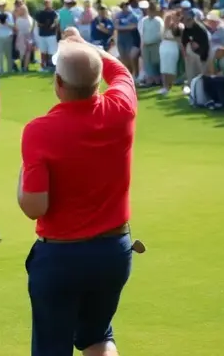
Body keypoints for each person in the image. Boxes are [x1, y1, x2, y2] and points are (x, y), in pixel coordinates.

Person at [19, 27, 137, 356]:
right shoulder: (121, 109)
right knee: (98, 336)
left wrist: (21, 177)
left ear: (59, 83)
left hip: (60, 257)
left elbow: (34, 206)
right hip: (113, 251)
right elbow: (121, 72)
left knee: (52, 348)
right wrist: (85, 45)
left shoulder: (39, 131)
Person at [179, 9, 210, 94]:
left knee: (201, 75)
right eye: (185, 20)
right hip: (191, 55)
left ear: (193, 19)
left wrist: (202, 58)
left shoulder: (200, 29)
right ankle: (192, 91)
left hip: (202, 56)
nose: (186, 22)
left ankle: (203, 93)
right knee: (190, 74)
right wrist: (185, 53)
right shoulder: (186, 29)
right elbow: (184, 42)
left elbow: (205, 45)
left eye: (188, 20)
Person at [158, 12, 182, 96]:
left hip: (173, 46)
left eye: (169, 19)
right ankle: (165, 86)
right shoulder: (163, 28)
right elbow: (161, 37)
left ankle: (169, 85)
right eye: (166, 19)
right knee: (164, 66)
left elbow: (178, 39)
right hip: (164, 46)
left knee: (171, 66)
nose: (167, 21)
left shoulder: (178, 27)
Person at [139, 3, 163, 87]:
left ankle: (158, 80)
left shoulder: (158, 21)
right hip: (146, 45)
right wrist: (142, 45)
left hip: (156, 44)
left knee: (156, 62)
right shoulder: (144, 21)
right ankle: (150, 80)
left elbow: (161, 33)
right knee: (148, 63)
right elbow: (143, 33)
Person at [114, 2, 140, 79]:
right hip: (120, 39)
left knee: (129, 57)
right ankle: (127, 75)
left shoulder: (133, 15)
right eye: (123, 7)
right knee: (123, 57)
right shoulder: (118, 15)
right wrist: (127, 27)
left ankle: (133, 74)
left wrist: (121, 27)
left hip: (130, 38)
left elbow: (134, 26)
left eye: (126, 6)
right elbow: (116, 26)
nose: (125, 8)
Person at [35, 0, 59, 71]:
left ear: (51, 4)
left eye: (48, 3)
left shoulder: (54, 13)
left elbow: (56, 22)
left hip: (51, 35)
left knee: (52, 52)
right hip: (42, 34)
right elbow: (38, 23)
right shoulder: (41, 13)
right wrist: (44, 25)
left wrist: (53, 25)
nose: (47, 5)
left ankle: (52, 66)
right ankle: (43, 66)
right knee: (43, 51)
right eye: (45, 3)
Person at [0, 8, 16, 75]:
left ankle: (9, 70)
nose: (1, 7)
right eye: (0, 6)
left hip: (8, 37)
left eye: (3, 6)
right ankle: (0, 70)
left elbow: (13, 26)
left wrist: (6, 23)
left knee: (8, 54)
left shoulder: (9, 15)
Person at [15, 3, 36, 73]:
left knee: (22, 52)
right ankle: (25, 67)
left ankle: (22, 66)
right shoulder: (30, 18)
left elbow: (17, 28)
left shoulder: (19, 19)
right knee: (28, 52)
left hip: (21, 36)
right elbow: (31, 28)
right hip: (28, 36)